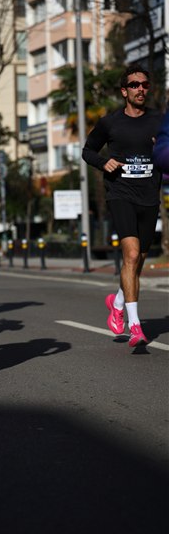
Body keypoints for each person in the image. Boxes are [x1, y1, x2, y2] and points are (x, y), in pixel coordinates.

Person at [82, 64, 163, 348]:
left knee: (137, 261)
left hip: (149, 196)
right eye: (134, 85)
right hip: (120, 194)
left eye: (144, 84)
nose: (140, 89)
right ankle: (135, 326)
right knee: (131, 254)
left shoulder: (159, 121)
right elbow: (88, 151)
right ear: (124, 91)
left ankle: (117, 303)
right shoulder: (110, 123)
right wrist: (103, 162)